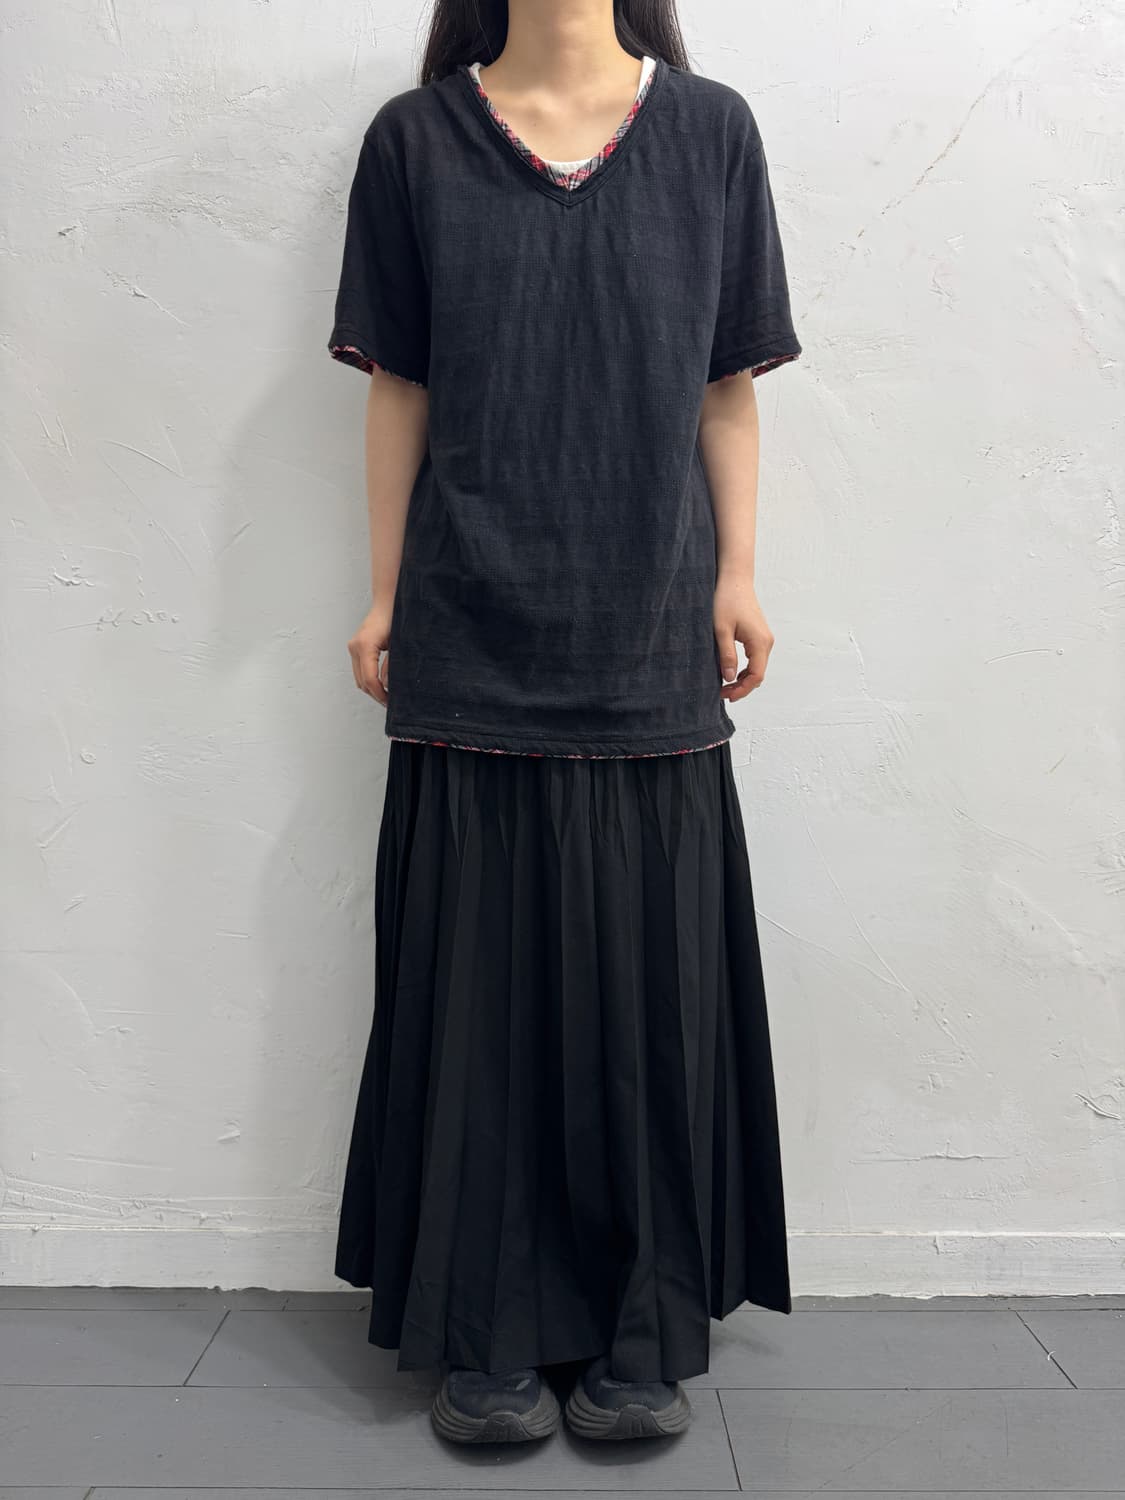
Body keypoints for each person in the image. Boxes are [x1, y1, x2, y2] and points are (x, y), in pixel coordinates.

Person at [327, 0, 802, 1447]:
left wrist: (735, 573)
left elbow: (726, 383)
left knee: (648, 1001)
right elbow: (399, 384)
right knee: (479, 997)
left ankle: (640, 1325)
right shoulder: (415, 141)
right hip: (469, 617)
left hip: (649, 623)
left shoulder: (711, 132)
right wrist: (383, 591)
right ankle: (481, 1326)